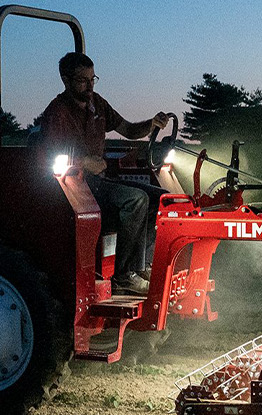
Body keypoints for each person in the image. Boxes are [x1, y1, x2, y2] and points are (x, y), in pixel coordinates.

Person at [35, 52, 173, 295]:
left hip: (99, 182)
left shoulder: (97, 104)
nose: (89, 86)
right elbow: (47, 156)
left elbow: (129, 130)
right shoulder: (56, 113)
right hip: (75, 188)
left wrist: (151, 124)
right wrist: (84, 161)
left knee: (162, 199)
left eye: (92, 79)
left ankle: (140, 266)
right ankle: (123, 277)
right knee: (135, 200)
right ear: (66, 81)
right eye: (82, 80)